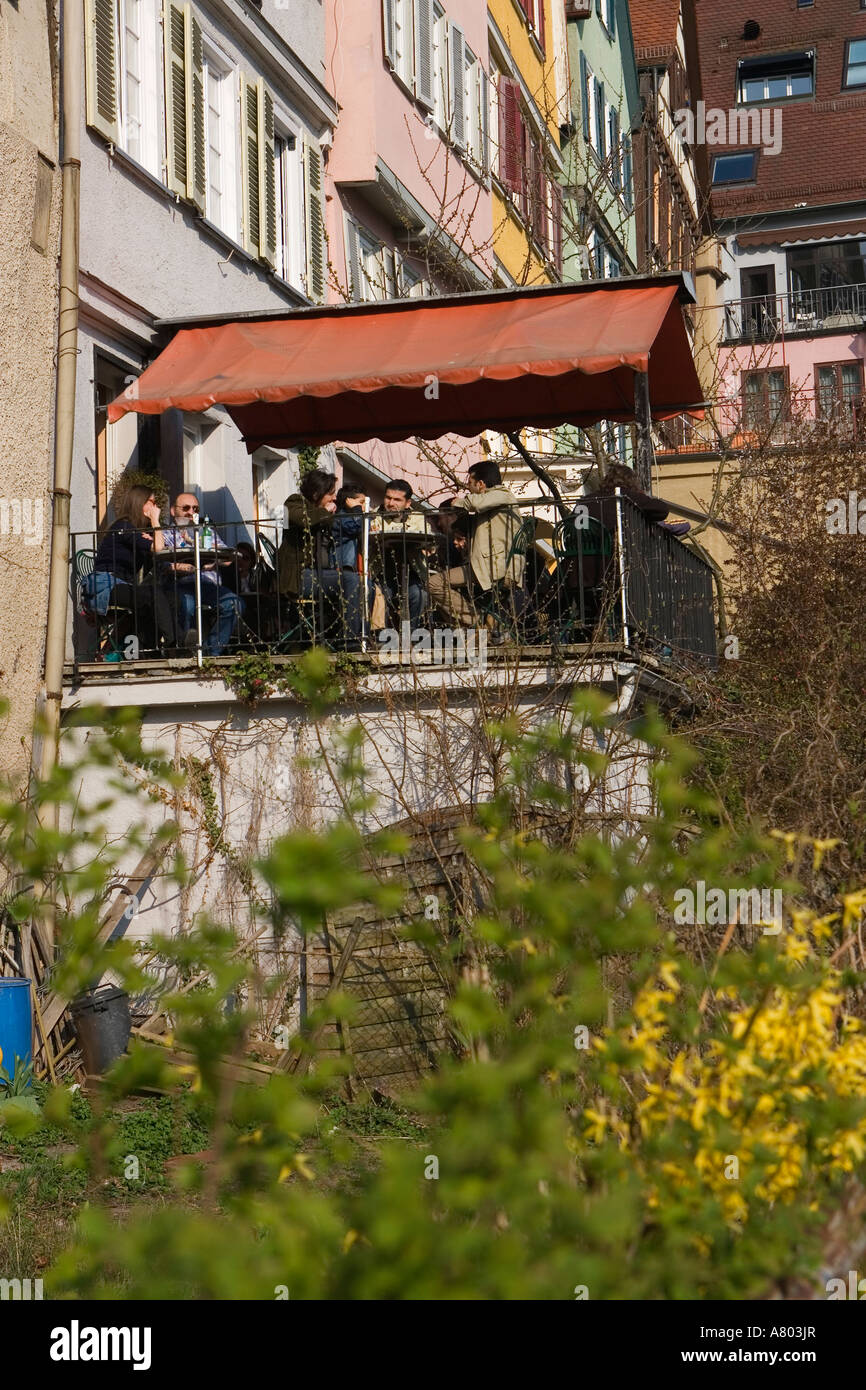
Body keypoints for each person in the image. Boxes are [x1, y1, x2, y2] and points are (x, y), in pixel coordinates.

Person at [428, 461, 526, 631]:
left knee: (434, 583)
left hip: (495, 568)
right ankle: (480, 627)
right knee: (443, 592)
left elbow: (477, 503)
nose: (468, 489)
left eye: (470, 484)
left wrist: (456, 502)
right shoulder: (494, 505)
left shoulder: (504, 495)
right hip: (490, 566)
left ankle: (475, 620)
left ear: (481, 484)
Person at [85, 484, 176, 653]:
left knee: (168, 597)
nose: (156, 507)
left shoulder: (135, 531)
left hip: (120, 585)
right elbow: (158, 548)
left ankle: (147, 652)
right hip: (105, 587)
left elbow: (157, 553)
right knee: (152, 594)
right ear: (140, 502)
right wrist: (156, 521)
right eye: (152, 502)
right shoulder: (124, 527)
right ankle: (172, 644)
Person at [278, 469, 361, 645]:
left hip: (319, 574)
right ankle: (351, 642)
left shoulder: (323, 514)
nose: (334, 499)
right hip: (299, 577)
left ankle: (362, 638)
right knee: (351, 580)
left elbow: (346, 528)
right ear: (317, 493)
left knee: (364, 583)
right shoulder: (293, 502)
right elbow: (303, 519)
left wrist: (357, 511)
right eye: (330, 494)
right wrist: (326, 512)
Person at [160, 493, 243, 656]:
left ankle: (211, 652)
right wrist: (181, 567)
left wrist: (215, 559)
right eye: (186, 508)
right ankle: (182, 651)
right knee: (187, 605)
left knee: (234, 603)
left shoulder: (207, 531)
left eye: (195, 509)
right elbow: (162, 564)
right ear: (172, 511)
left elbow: (227, 559)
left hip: (208, 585)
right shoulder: (166, 533)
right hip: (180, 584)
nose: (191, 512)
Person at [373, 479, 427, 624]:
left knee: (419, 594)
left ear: (408, 503)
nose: (391, 503)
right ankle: (381, 639)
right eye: (388, 498)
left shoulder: (417, 518)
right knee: (381, 596)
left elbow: (427, 541)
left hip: (412, 571)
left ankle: (412, 637)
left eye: (397, 499)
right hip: (382, 572)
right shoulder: (373, 517)